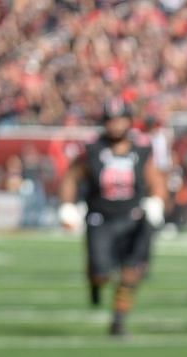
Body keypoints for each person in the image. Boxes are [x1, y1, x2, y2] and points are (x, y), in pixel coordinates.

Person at [58, 98, 167, 339]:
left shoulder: (141, 148)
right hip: (101, 217)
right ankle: (94, 282)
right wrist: (67, 206)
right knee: (101, 272)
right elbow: (71, 177)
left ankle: (118, 321)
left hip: (133, 216)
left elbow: (155, 178)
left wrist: (157, 201)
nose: (116, 125)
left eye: (120, 120)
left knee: (132, 271)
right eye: (111, 120)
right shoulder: (92, 149)